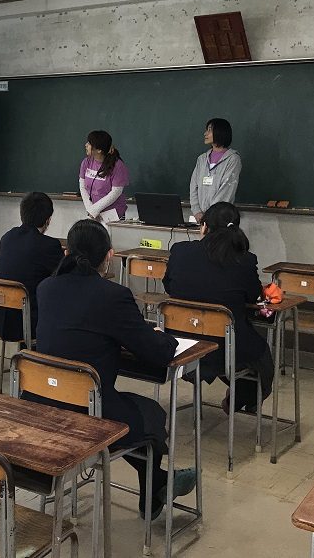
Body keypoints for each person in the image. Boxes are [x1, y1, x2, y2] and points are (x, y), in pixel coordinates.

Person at [35, 219, 196, 521]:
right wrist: (164, 337)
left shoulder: (45, 288)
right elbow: (156, 352)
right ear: (108, 256)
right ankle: (156, 484)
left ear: (67, 251)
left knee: (129, 409)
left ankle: (158, 482)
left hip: (43, 403)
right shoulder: (112, 295)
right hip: (88, 414)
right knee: (152, 414)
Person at [163, 202, 272, 414]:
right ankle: (244, 399)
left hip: (181, 345)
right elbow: (253, 296)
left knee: (239, 343)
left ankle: (239, 396)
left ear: (204, 226)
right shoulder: (245, 259)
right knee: (261, 355)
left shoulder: (180, 251)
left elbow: (169, 286)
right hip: (225, 349)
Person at [0, 191, 64, 342]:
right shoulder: (49, 245)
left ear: (22, 214)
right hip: (27, 324)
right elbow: (65, 277)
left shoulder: (7, 237)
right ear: (48, 220)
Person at [189, 118, 242, 223]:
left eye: (209, 130)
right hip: (200, 218)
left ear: (220, 132)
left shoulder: (232, 159)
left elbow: (227, 190)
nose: (205, 133)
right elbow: (193, 186)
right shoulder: (202, 159)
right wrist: (196, 211)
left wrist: (211, 215)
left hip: (220, 218)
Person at [79, 130, 129, 222]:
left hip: (113, 214)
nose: (86, 145)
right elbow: (82, 187)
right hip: (93, 213)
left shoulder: (117, 165)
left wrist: (94, 209)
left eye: (89, 144)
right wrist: (90, 208)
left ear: (99, 150)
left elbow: (116, 192)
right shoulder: (86, 162)